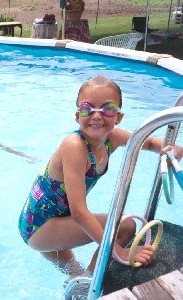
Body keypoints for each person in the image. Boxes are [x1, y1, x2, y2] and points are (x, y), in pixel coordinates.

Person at [18, 76, 183, 274]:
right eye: (87, 108)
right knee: (125, 226)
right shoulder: (74, 146)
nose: (97, 115)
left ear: (118, 117)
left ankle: (83, 286)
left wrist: (172, 149)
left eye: (108, 109)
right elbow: (79, 212)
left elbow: (147, 142)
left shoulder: (111, 138)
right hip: (41, 226)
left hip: (58, 218)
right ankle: (92, 283)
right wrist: (118, 252)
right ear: (77, 116)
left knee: (75, 276)